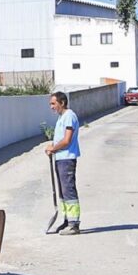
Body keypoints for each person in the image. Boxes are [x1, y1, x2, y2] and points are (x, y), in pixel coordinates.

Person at [43, 91, 81, 235]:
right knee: (63, 192)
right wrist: (51, 148)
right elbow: (59, 139)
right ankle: (67, 221)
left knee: (68, 191)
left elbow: (66, 140)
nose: (51, 107)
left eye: (53, 103)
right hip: (60, 159)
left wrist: (53, 148)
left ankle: (74, 224)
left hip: (67, 158)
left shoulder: (69, 116)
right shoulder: (61, 118)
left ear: (62, 103)